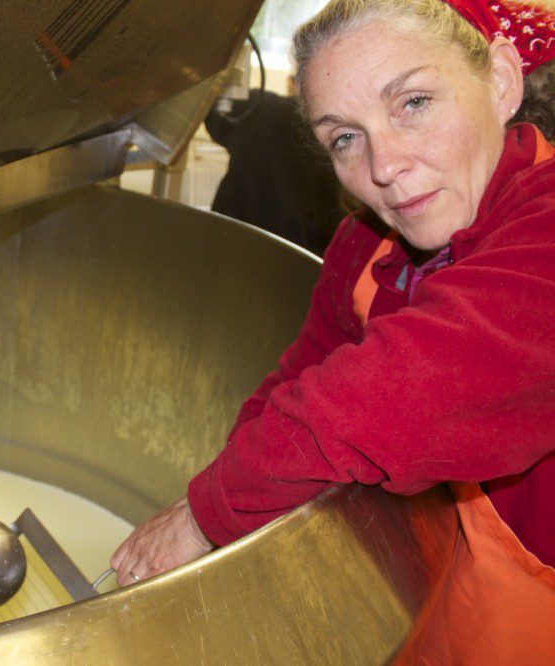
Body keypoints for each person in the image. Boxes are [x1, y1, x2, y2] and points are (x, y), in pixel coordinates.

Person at [112, 0, 555, 659]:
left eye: (413, 103)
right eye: (345, 137)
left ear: (500, 80)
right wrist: (216, 529)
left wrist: (205, 518)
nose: (384, 166)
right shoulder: (368, 246)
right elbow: (295, 384)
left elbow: (396, 397)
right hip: (434, 610)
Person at [205, 86, 345, 256]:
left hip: (233, 238)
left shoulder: (256, 106)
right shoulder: (336, 130)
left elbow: (213, 115)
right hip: (302, 253)